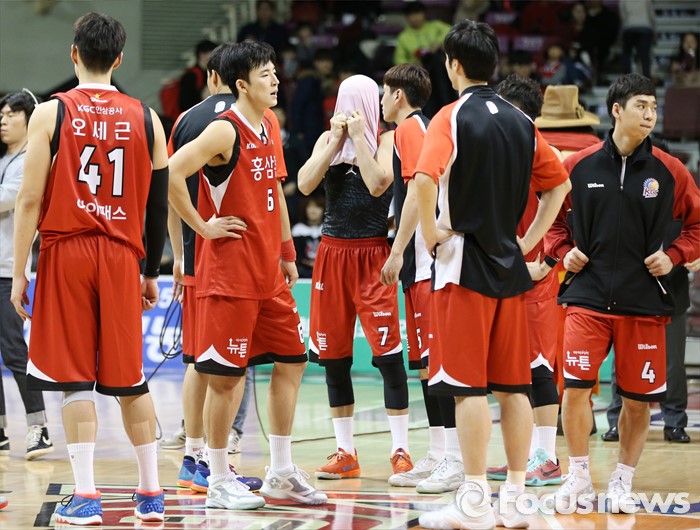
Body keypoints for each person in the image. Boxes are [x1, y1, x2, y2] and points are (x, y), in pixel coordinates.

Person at [10, 13, 170, 525]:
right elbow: (158, 205)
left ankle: (86, 496)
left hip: (67, 252)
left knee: (74, 380)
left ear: (73, 53)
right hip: (122, 255)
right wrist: (150, 270)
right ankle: (151, 493)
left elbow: (29, 198)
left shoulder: (50, 113)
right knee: (130, 381)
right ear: (119, 59)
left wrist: (20, 270)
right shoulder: (148, 117)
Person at [414, 20, 570, 529]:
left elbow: (424, 179)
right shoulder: (521, 120)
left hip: (464, 264)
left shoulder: (451, 115)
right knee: (514, 387)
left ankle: (475, 500)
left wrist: (431, 232)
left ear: (454, 65)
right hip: (510, 267)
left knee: (468, 389)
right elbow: (559, 186)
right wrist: (527, 241)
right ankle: (517, 499)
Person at [168, 40, 327, 510]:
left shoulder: (270, 123)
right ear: (241, 84)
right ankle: (218, 477)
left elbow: (274, 190)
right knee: (225, 378)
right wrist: (203, 227)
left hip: (269, 274)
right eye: (265, 74)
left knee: (293, 360)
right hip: (229, 276)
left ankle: (281, 471)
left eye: (275, 72)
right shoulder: (224, 130)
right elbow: (170, 173)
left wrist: (286, 250)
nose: (276, 80)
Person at [546, 73, 700, 513]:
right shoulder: (580, 166)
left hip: (644, 303)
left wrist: (674, 255)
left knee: (637, 400)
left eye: (654, 106)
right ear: (616, 110)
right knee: (575, 390)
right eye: (641, 106)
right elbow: (551, 219)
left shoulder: (670, 171)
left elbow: (697, 226)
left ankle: (622, 480)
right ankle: (577, 476)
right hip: (587, 298)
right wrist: (563, 251)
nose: (650, 114)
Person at [297, 74, 412, 483]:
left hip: (372, 254)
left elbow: (379, 184)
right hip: (331, 254)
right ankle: (346, 452)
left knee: (388, 359)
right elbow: (304, 184)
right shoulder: (326, 140)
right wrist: (334, 142)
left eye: (354, 102)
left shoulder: (387, 140)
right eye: (341, 103)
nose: (347, 111)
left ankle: (401, 450)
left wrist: (360, 138)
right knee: (333, 360)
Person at [163, 43, 261, 495]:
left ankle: (194, 454)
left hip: (195, 256)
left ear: (211, 77)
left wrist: (181, 253)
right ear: (239, 79)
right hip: (232, 258)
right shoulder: (246, 121)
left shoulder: (186, 120)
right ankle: (219, 448)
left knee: (197, 359)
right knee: (233, 361)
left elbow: (169, 188)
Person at [379, 64, 464, 494]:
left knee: (440, 365)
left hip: (428, 264)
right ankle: (437, 452)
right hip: (423, 266)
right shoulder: (418, 127)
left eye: (384, 92)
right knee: (428, 366)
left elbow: (416, 190)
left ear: (398, 95)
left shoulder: (410, 128)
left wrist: (396, 252)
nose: (381, 100)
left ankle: (454, 459)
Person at [486, 74, 565, 488]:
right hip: (505, 277)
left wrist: (544, 260)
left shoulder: (540, 154)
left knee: (538, 369)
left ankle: (547, 458)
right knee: (512, 371)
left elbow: (568, 215)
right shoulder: (504, 152)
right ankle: (523, 456)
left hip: (534, 279)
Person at [603, 138, 693, 445]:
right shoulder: (625, 199)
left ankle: (675, 422)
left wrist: (681, 258)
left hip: (670, 293)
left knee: (673, 364)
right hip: (628, 293)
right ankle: (615, 421)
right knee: (622, 361)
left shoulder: (683, 201)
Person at [0, 90, 54, 461]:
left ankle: (39, 428)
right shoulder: (5, 159)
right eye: (1, 114)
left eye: (11, 114)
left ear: (28, 117)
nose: (3, 120)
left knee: (15, 352)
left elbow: (8, 199)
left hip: (8, 270)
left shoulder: (31, 158)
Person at [179, 40, 218, 114]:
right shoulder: (191, 76)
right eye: (213, 54)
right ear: (202, 55)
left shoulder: (208, 73)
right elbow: (184, 103)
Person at [292, 193, 324, 279]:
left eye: (317, 207)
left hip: (323, 269)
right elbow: (296, 255)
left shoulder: (327, 229)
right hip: (302, 271)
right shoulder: (298, 229)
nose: (313, 211)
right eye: (310, 207)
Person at [620, 0, 655, 79]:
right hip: (645, 27)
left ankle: (627, 78)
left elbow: (623, 15)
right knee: (645, 56)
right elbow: (651, 15)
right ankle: (646, 78)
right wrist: (654, 32)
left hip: (629, 27)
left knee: (627, 54)